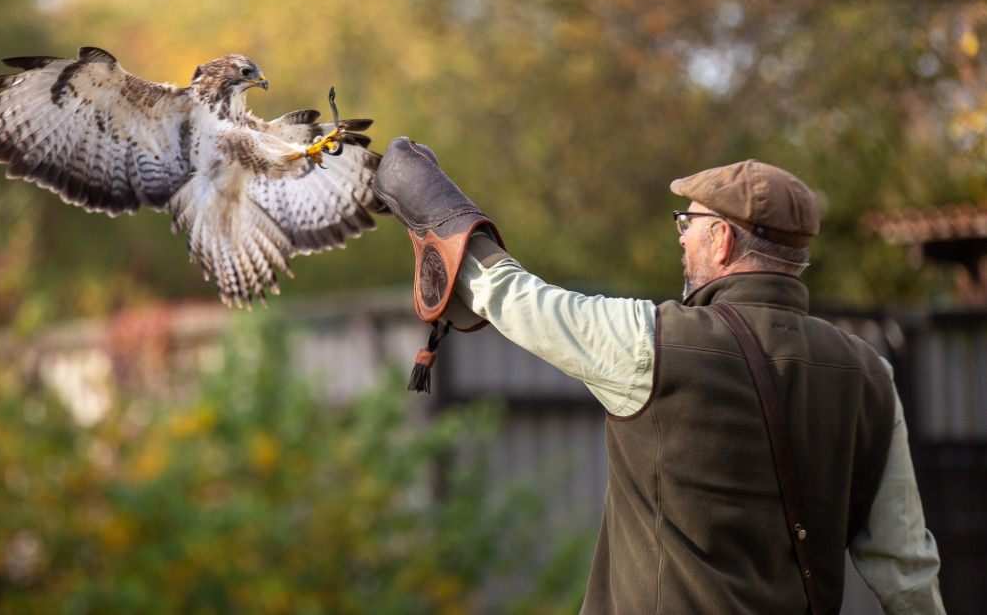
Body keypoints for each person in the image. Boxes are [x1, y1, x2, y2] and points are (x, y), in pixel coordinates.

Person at [373, 138, 945, 615]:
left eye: (688, 223)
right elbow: (907, 574)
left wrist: (433, 205)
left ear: (722, 239)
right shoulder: (873, 376)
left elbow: (517, 299)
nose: (681, 235)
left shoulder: (654, 341)